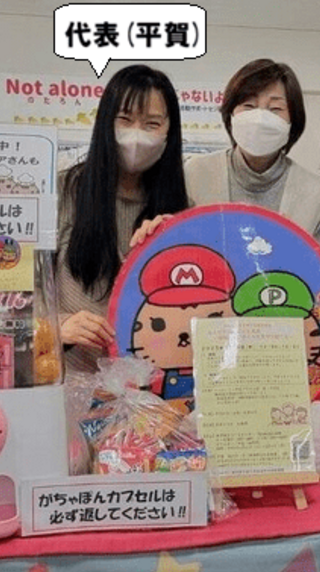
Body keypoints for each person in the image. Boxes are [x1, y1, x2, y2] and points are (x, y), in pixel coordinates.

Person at [57, 65, 189, 374]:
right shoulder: (64, 191)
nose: (137, 135)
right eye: (125, 120)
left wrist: (164, 249)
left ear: (169, 133)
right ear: (105, 122)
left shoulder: (181, 211)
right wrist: (58, 325)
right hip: (73, 381)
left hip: (150, 385)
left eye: (152, 123)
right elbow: (28, 289)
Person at [181, 59, 320, 245]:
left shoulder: (314, 192)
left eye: (275, 109)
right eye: (249, 105)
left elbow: (315, 260)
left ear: (293, 121)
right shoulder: (195, 173)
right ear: (231, 114)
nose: (260, 118)